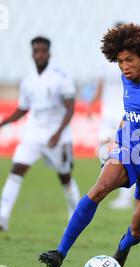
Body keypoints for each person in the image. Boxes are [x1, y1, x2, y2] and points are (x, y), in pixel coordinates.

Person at [38, 23, 140, 267]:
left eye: (129, 60)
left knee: (137, 228)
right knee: (99, 188)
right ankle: (60, 252)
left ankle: (124, 246)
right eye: (119, 61)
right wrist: (118, 138)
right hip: (129, 150)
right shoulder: (125, 78)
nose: (124, 66)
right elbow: (132, 113)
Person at [0, 36, 81, 231]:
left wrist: (57, 133)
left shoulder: (61, 76)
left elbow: (70, 109)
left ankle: (76, 218)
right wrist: (4, 123)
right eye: (36, 51)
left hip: (57, 136)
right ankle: (2, 218)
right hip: (33, 134)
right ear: (32, 53)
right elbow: (23, 108)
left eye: (43, 51)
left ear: (49, 53)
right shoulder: (28, 80)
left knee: (65, 177)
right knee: (16, 170)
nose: (39, 54)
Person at [88, 22, 135, 210]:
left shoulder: (133, 60)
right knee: (105, 151)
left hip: (125, 113)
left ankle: (126, 197)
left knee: (128, 154)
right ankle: (111, 185)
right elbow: (101, 85)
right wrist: (93, 103)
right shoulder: (106, 61)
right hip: (107, 113)